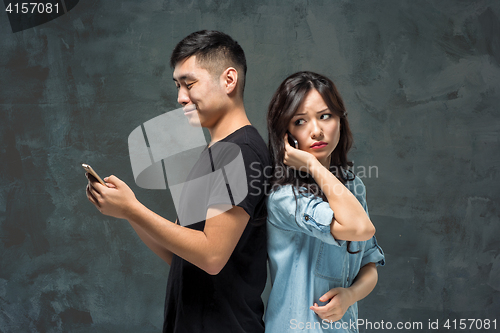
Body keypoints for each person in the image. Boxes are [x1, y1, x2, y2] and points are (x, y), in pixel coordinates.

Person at [86, 30, 270, 333]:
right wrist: (128, 211)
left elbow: (211, 255)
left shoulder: (242, 152)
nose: (180, 97)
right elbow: (180, 255)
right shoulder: (212, 154)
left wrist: (133, 210)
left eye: (190, 83)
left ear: (229, 80)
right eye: (177, 85)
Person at [264, 71, 385, 332]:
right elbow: (360, 228)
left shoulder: (352, 186)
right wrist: (310, 164)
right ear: (286, 133)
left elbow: (369, 265)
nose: (317, 130)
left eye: (325, 116)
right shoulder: (285, 197)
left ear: (340, 119)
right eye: (300, 121)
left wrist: (350, 296)